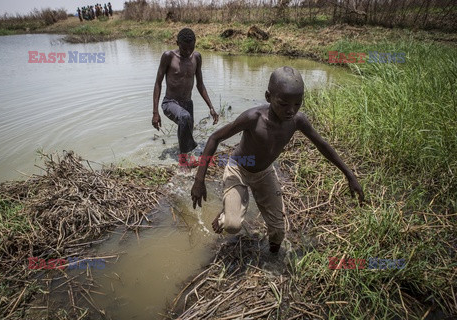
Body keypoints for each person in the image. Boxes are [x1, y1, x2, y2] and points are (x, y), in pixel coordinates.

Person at [190, 66, 364, 254]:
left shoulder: (298, 121)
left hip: (264, 172)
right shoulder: (253, 118)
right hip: (239, 169)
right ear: (268, 97)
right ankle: (227, 213)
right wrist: (199, 180)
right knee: (232, 226)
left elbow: (322, 145)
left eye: (298, 104)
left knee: (278, 232)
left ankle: (273, 260)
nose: (291, 110)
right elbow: (214, 138)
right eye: (283, 104)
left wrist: (349, 175)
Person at [152, 28, 219, 154]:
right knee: (184, 117)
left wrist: (211, 107)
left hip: (188, 104)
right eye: (184, 49)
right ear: (177, 43)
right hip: (170, 103)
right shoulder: (168, 57)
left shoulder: (197, 58)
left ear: (195, 43)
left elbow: (200, 84)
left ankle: (183, 155)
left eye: (191, 48)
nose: (188, 52)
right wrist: (155, 112)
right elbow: (157, 83)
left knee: (185, 128)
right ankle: (183, 163)